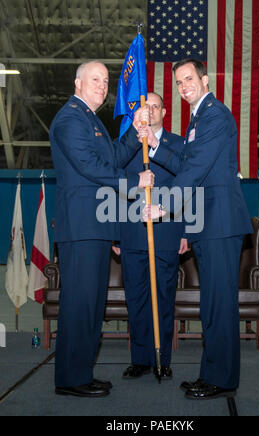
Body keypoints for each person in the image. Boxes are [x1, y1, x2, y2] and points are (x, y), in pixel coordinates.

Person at [142, 59, 253, 400]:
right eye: (178, 82)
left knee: (219, 303)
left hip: (219, 222)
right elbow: (186, 165)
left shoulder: (215, 114)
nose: (183, 85)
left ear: (205, 79)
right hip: (207, 224)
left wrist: (166, 206)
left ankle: (222, 379)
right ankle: (211, 373)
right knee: (212, 304)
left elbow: (198, 168)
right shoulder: (199, 118)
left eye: (189, 78)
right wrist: (156, 144)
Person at [49, 61, 154, 398]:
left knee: (92, 306)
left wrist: (136, 134)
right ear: (77, 83)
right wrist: (136, 182)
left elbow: (111, 157)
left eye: (106, 80)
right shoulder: (69, 118)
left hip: (95, 227)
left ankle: (81, 372)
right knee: (79, 305)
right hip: (80, 227)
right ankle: (70, 379)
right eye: (95, 79)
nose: (102, 85)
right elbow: (91, 168)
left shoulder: (90, 120)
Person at [115, 92, 187, 380]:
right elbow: (116, 190)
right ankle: (140, 359)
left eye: (156, 106)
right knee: (137, 297)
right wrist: (116, 236)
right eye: (147, 107)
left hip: (167, 233)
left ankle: (162, 358)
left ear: (164, 112)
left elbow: (187, 188)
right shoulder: (128, 144)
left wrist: (185, 233)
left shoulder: (179, 144)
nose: (152, 111)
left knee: (163, 297)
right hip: (132, 233)